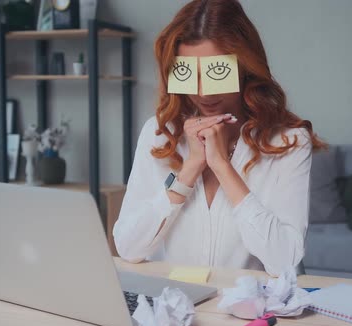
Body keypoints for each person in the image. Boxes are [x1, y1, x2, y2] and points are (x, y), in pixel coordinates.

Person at [113, 0, 326, 276]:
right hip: (178, 306)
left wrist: (222, 166)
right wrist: (189, 169)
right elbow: (128, 248)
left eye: (216, 73)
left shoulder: (288, 141)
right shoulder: (158, 134)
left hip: (254, 307)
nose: (204, 93)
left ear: (245, 67)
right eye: (190, 75)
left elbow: (284, 260)